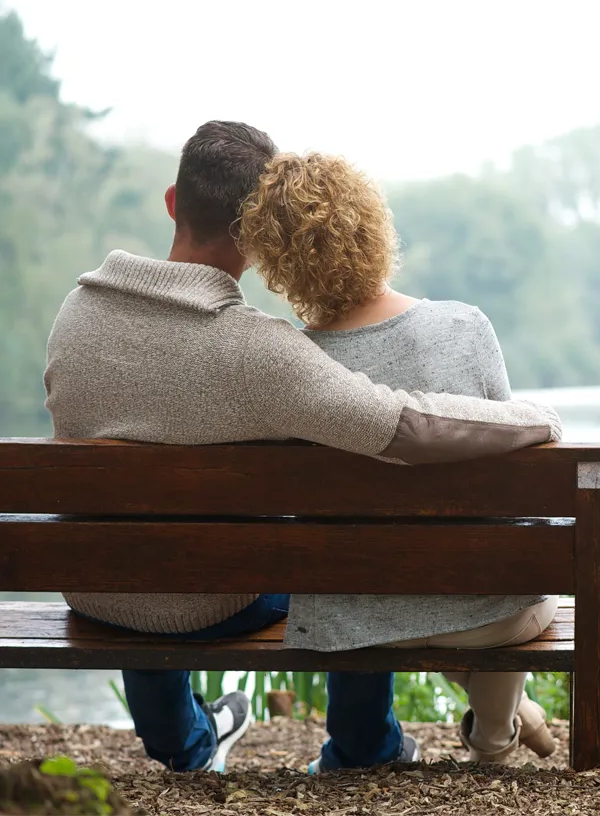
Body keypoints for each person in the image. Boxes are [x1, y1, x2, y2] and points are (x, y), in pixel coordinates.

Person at [44, 122, 561, 774]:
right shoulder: (260, 351)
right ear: (258, 239)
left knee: (143, 550)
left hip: (93, 588)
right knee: (340, 555)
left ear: (173, 201)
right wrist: (532, 419)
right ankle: (368, 745)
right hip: (217, 603)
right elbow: (402, 425)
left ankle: (190, 743)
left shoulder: (75, 314)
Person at [239, 150, 559, 770]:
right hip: (484, 614)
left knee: (408, 583)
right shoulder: (465, 326)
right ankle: (495, 739)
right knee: (509, 573)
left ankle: (502, 721)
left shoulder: (296, 366)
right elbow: (510, 471)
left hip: (353, 617)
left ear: (280, 264)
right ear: (373, 225)